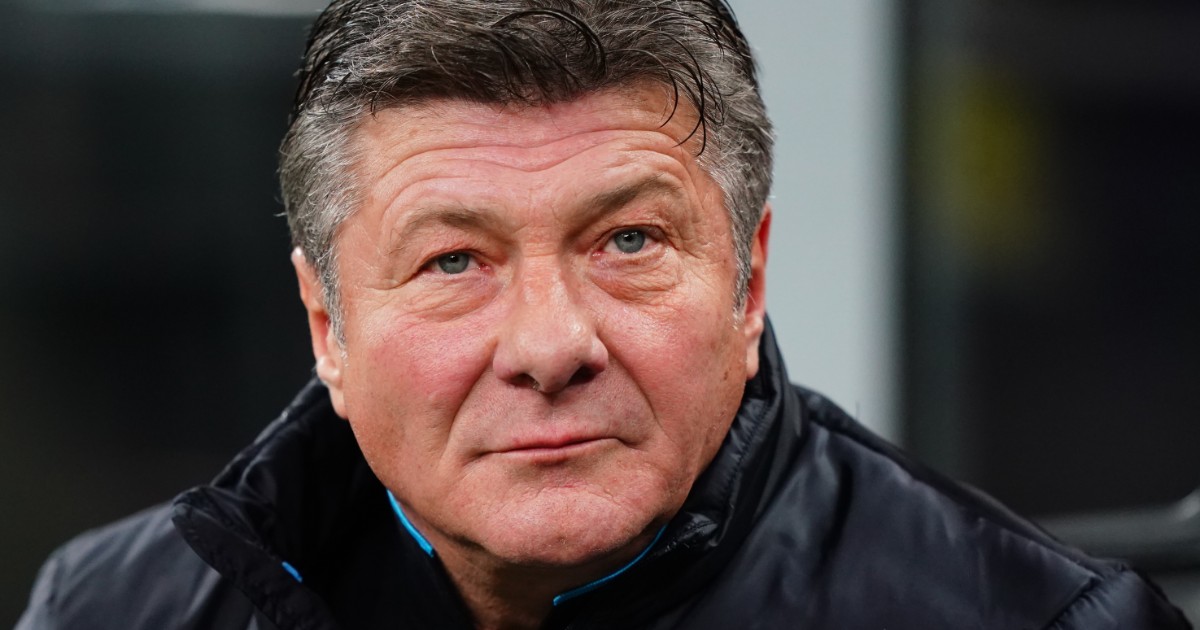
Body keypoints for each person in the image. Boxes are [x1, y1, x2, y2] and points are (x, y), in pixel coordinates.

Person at [16, 1, 1191, 628]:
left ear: (748, 283)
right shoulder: (111, 610)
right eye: (454, 260)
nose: (549, 346)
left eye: (628, 241)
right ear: (327, 324)